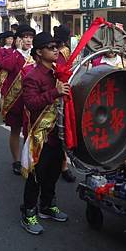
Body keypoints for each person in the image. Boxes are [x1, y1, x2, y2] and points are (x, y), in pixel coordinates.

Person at [20, 32, 71, 235]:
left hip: (57, 133)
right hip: (40, 135)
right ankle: (28, 212)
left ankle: (47, 205)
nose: (56, 50)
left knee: (53, 172)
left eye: (56, 46)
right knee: (35, 176)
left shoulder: (59, 72)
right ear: (39, 52)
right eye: (51, 47)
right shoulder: (32, 77)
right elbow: (31, 104)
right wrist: (55, 92)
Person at [0, 25, 36, 175]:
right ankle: (16, 160)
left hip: (31, 99)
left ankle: (30, 159)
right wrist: (18, 51)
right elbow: (6, 65)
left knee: (30, 131)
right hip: (15, 100)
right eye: (25, 37)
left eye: (30, 37)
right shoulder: (13, 54)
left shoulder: (35, 55)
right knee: (15, 130)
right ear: (18, 39)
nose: (28, 40)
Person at [52, 24, 76, 183]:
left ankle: (63, 166)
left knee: (61, 130)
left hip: (62, 92)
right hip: (56, 93)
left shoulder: (62, 51)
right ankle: (61, 166)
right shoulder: (61, 51)